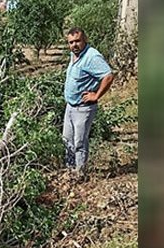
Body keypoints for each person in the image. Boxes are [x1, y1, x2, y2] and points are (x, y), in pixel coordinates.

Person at [63, 28, 114, 178]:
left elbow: (108, 76)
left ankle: (80, 174)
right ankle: (70, 171)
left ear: (84, 39)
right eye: (71, 42)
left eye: (77, 41)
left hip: (83, 108)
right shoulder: (74, 55)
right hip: (70, 106)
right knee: (67, 140)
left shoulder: (92, 56)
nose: (74, 45)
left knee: (79, 142)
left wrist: (96, 95)